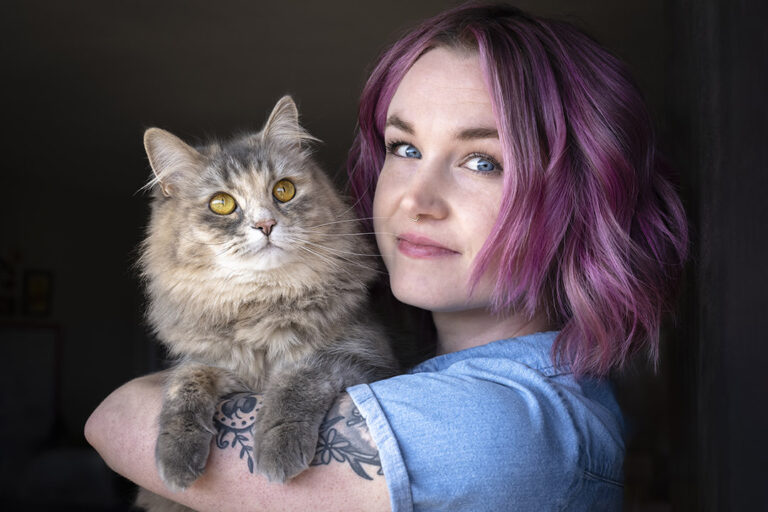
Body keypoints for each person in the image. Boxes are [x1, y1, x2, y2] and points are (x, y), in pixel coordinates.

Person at [85, 4, 688, 511]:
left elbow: (115, 420)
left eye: (484, 161)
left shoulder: (507, 424)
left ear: (580, 196)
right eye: (404, 147)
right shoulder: (467, 374)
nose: (416, 199)